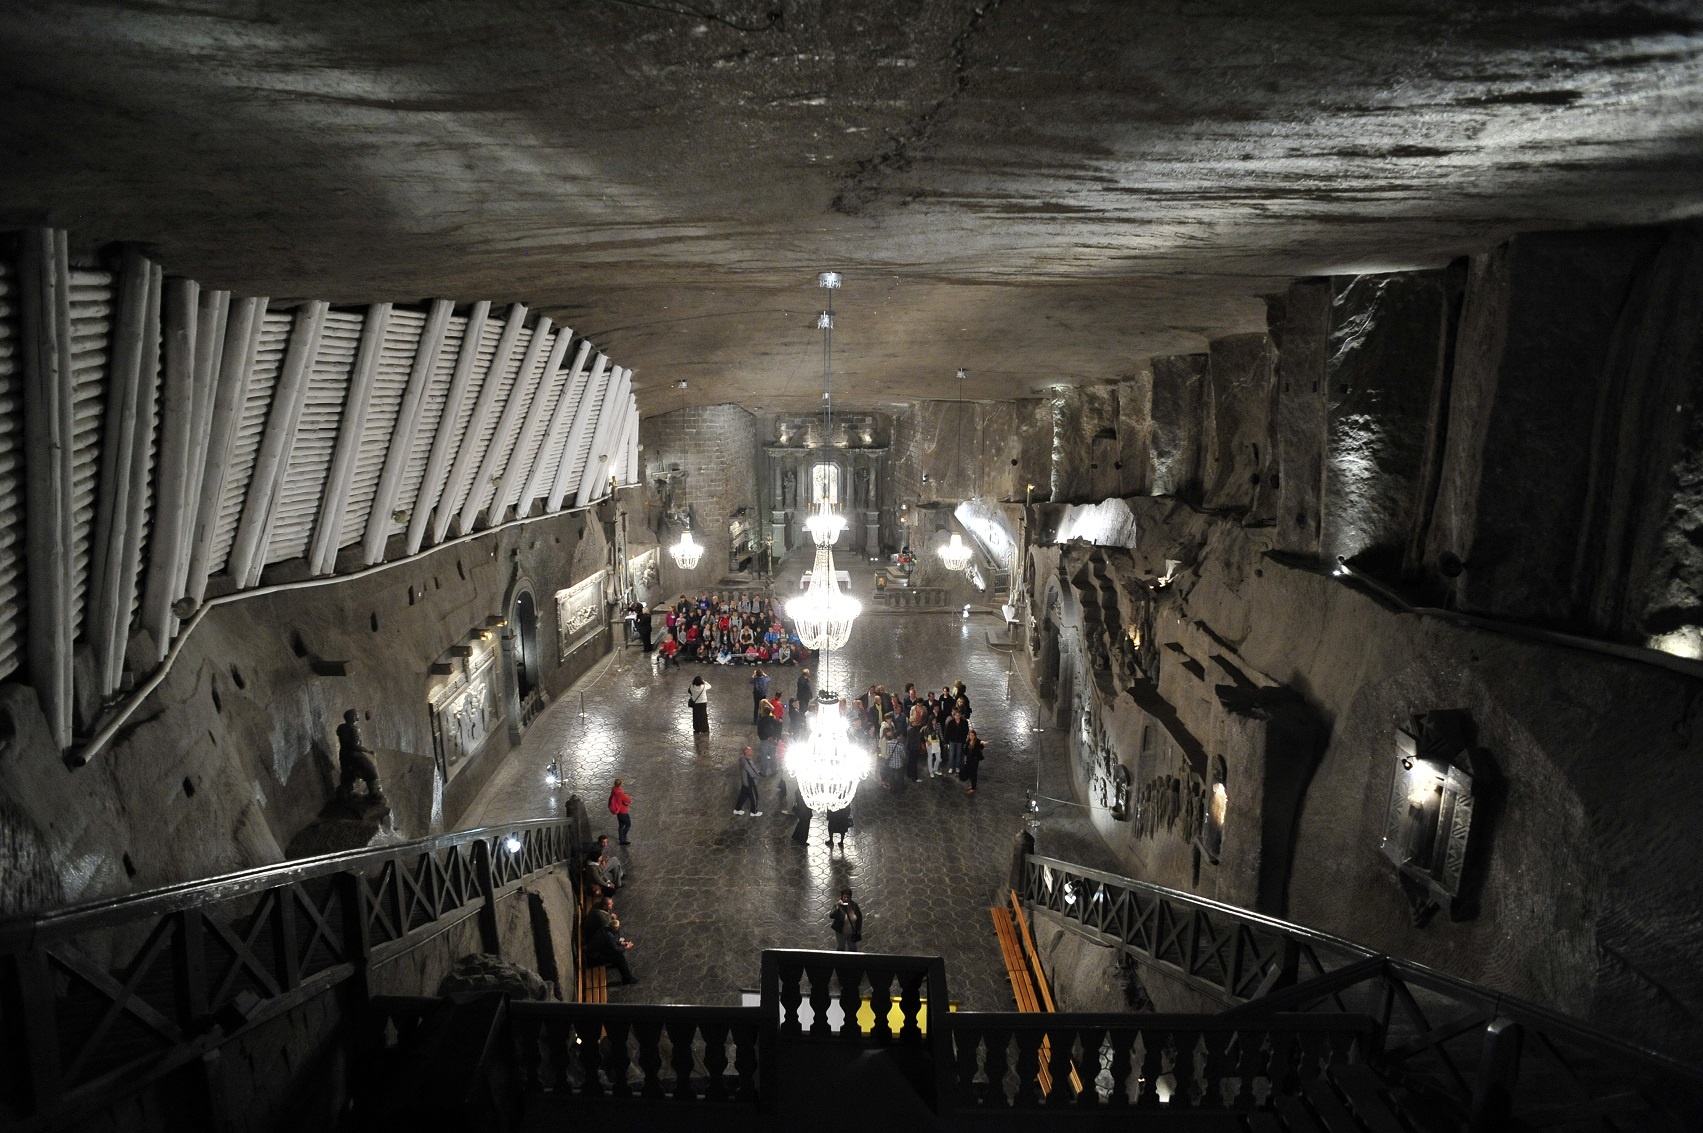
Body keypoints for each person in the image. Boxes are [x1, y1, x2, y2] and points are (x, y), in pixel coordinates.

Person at [586, 895, 638, 985]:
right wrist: (626, 947)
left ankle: (620, 969)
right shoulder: (608, 934)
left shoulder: (605, 929)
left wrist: (621, 942)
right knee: (619, 957)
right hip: (593, 959)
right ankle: (628, 979)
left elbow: (612, 942)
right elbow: (616, 949)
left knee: (616, 955)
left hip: (593, 952)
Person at [831, 888, 863, 952]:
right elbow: (831, 915)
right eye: (844, 897)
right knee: (841, 947)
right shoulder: (838, 905)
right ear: (842, 897)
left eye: (848, 897)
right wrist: (838, 907)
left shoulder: (854, 905)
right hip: (841, 932)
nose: (846, 899)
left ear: (850, 897)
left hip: (852, 932)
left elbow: (859, 918)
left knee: (853, 948)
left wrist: (858, 929)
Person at [734, 747, 763, 815]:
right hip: (749, 781)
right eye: (750, 751)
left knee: (743, 795)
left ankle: (737, 809)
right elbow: (750, 770)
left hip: (745, 782)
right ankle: (754, 812)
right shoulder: (746, 760)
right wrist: (757, 776)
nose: (751, 752)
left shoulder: (746, 759)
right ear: (746, 752)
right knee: (754, 796)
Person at [756, 702, 781, 776]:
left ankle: (763, 772)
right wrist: (774, 737)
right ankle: (774, 770)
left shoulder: (760, 721)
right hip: (772, 740)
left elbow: (759, 731)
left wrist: (764, 737)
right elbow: (777, 729)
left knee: (764, 756)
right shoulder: (774, 720)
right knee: (773, 755)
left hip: (764, 740)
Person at [943, 708, 968, 778]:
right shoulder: (951, 723)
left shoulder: (964, 723)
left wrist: (963, 740)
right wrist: (947, 741)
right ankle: (951, 767)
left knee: (958, 754)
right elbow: (947, 732)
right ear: (954, 716)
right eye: (956, 715)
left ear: (960, 715)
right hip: (952, 741)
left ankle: (957, 766)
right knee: (951, 754)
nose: (957, 717)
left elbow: (965, 732)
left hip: (960, 741)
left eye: (958, 715)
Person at [609, 778, 633, 844]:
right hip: (623, 811)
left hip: (618, 811)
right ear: (620, 784)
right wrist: (626, 796)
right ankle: (623, 838)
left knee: (621, 825)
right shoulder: (620, 793)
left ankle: (621, 838)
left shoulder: (614, 789)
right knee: (628, 824)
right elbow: (629, 800)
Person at [963, 728, 986, 795]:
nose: (971, 737)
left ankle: (973, 788)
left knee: (974, 773)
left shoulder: (977, 741)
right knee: (970, 772)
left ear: (975, 736)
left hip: (975, 760)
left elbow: (981, 747)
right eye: (970, 735)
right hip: (969, 759)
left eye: (973, 735)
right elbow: (966, 750)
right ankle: (972, 785)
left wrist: (982, 743)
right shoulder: (968, 741)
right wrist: (965, 756)